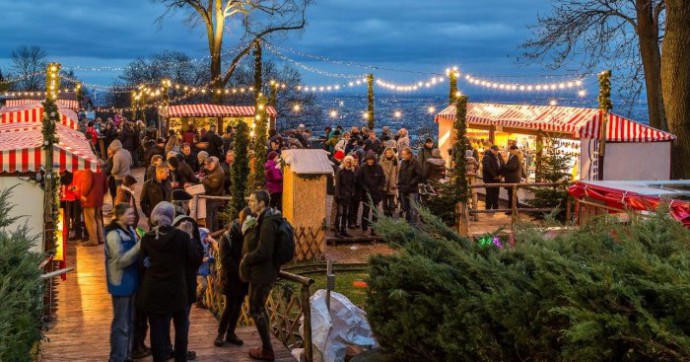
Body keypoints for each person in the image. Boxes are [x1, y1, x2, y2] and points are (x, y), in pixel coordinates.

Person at [137, 202, 199, 362]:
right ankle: (180, 358)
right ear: (171, 217)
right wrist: (190, 236)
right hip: (176, 290)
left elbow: (142, 265)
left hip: (154, 291)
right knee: (181, 328)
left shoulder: (147, 239)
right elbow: (195, 259)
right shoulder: (182, 237)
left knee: (157, 330)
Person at [240, 191, 280, 361]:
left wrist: (246, 258)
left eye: (252, 201)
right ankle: (266, 346)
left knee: (256, 310)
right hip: (262, 272)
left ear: (262, 203)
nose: (250, 203)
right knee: (259, 310)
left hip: (262, 274)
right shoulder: (264, 219)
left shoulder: (267, 222)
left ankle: (267, 350)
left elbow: (264, 251)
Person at [105, 203, 141, 362]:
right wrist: (140, 245)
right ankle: (117, 357)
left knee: (130, 322)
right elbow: (121, 260)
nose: (133, 216)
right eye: (129, 213)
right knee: (121, 323)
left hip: (132, 281)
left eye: (133, 213)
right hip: (120, 283)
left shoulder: (131, 231)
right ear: (119, 216)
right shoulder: (113, 235)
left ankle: (126, 355)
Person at [215, 207, 252, 347]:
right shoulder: (227, 237)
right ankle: (220, 333)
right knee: (230, 306)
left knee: (238, 306)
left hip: (243, 279)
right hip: (231, 278)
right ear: (242, 220)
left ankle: (231, 333)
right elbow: (226, 260)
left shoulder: (249, 234)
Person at [356, 151, 385, 236]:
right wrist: (365, 188)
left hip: (376, 193)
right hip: (366, 193)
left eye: (372, 160)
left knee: (375, 213)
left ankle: (374, 229)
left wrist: (379, 188)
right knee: (365, 211)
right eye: (369, 160)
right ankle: (364, 229)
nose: (370, 161)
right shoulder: (363, 168)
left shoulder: (379, 167)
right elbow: (359, 180)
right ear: (366, 160)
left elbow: (383, 179)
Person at [397, 148, 422, 223]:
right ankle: (407, 224)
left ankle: (413, 225)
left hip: (412, 189)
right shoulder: (403, 162)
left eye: (404, 154)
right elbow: (400, 174)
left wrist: (412, 182)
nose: (403, 156)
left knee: (413, 208)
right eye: (402, 154)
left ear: (409, 154)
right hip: (404, 189)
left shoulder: (415, 163)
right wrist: (399, 185)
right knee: (405, 208)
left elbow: (419, 175)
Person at [334, 155, 356, 237]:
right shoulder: (340, 171)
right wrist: (337, 195)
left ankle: (343, 230)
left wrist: (353, 192)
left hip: (348, 195)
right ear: (344, 162)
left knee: (345, 214)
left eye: (350, 162)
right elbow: (337, 184)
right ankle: (337, 231)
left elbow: (353, 184)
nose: (348, 164)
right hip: (341, 195)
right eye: (347, 162)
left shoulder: (352, 172)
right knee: (339, 213)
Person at [202, 156, 225, 231]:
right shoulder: (216, 169)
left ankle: (210, 232)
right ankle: (215, 230)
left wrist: (205, 180)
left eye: (209, 166)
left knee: (210, 215)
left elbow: (214, 185)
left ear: (213, 163)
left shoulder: (218, 172)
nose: (208, 167)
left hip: (214, 196)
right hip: (215, 195)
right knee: (214, 214)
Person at [482, 145, 503, 214]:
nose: (496, 151)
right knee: (489, 194)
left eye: (497, 150)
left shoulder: (499, 156)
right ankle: (488, 209)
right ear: (491, 149)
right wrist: (494, 175)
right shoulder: (487, 157)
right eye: (495, 150)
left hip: (497, 179)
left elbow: (502, 165)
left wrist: (501, 175)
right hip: (489, 179)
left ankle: (495, 209)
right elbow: (487, 168)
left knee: (496, 194)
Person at [502, 145, 523, 213]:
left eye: (510, 150)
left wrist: (504, 165)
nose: (509, 151)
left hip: (513, 179)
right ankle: (514, 209)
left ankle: (513, 209)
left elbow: (512, 167)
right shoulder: (513, 157)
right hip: (511, 179)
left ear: (513, 150)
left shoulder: (515, 157)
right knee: (511, 194)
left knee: (512, 195)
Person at [379, 147, 399, 217]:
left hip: (392, 182)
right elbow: (379, 171)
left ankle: (391, 213)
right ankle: (385, 212)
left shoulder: (395, 160)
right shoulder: (382, 160)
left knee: (391, 200)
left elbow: (398, 171)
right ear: (385, 153)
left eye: (390, 153)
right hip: (384, 183)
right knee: (384, 200)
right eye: (387, 153)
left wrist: (396, 181)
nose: (388, 154)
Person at [465, 149, 480, 220]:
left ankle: (468, 207)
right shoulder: (473, 159)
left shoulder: (464, 160)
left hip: (466, 178)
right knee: (474, 193)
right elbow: (477, 165)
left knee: (466, 193)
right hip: (473, 177)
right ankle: (475, 210)